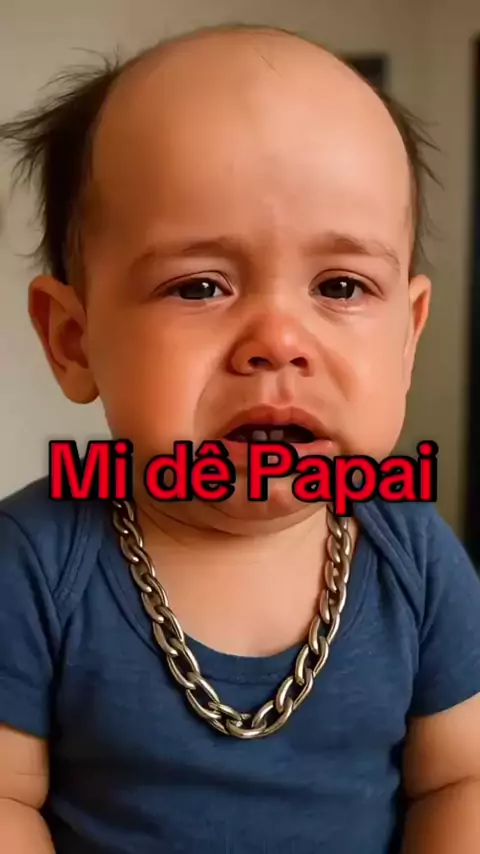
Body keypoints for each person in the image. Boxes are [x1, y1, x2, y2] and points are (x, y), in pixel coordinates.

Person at [0, 23, 479, 854]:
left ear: (407, 338)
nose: (278, 340)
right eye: (199, 286)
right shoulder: (34, 565)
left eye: (341, 285)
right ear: (74, 341)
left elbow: (459, 779)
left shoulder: (416, 558)